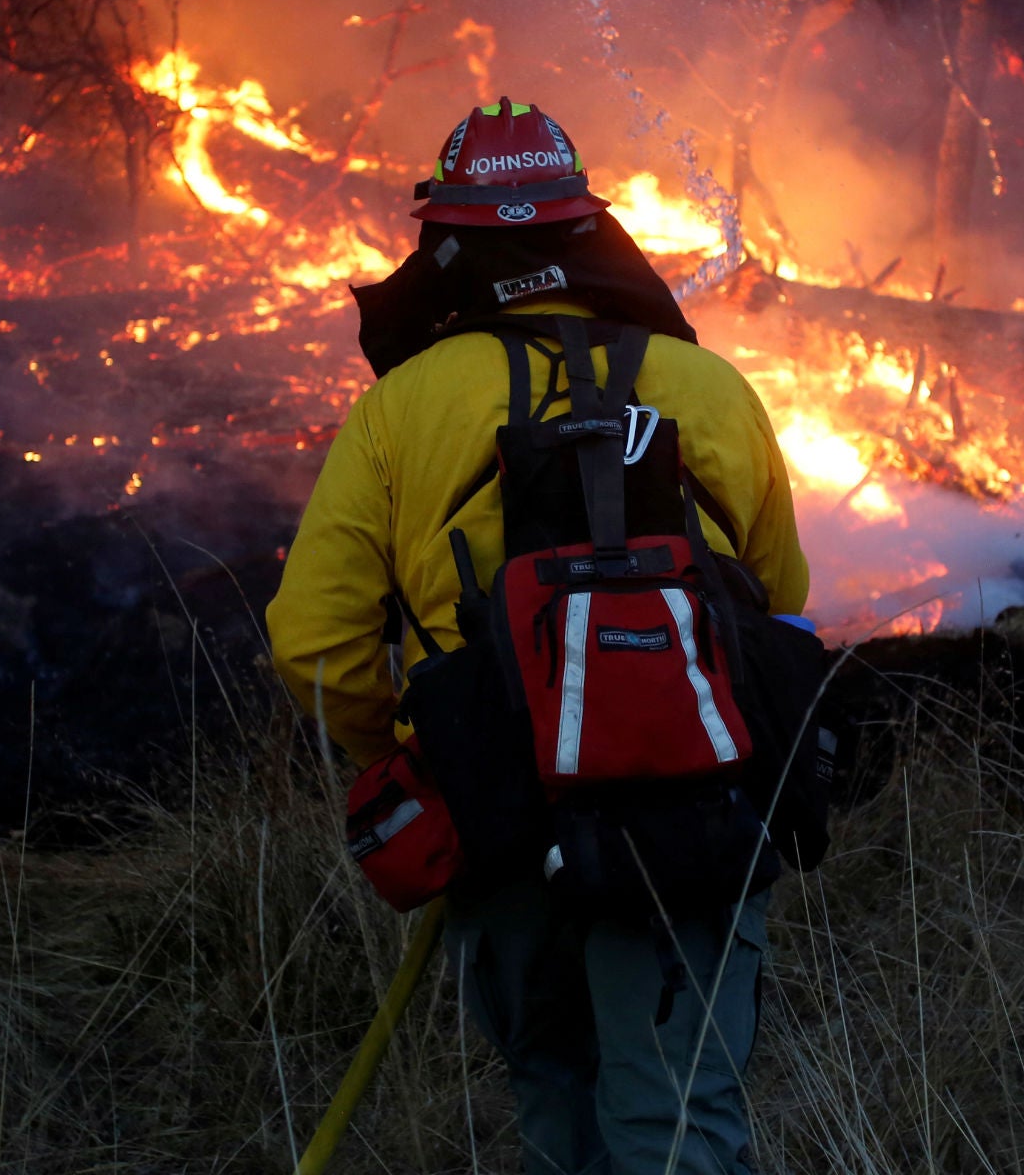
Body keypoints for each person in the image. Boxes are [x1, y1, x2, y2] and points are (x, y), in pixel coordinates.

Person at [267, 97, 809, 1175]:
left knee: (552, 1089)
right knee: (680, 1112)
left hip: (498, 813)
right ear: (587, 234)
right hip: (691, 816)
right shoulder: (711, 390)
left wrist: (416, 756)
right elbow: (784, 613)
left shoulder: (399, 410)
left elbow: (314, 646)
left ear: (449, 243)